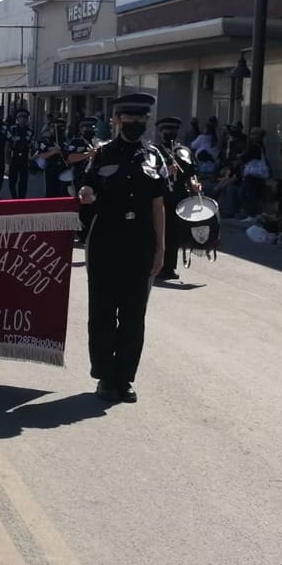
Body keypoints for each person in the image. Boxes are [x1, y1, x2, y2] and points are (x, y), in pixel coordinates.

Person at [79, 92, 166, 404]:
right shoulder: (101, 155)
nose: (135, 122)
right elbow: (87, 187)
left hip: (140, 242)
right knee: (102, 312)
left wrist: (161, 248)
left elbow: (158, 205)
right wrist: (86, 193)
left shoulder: (154, 157)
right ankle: (105, 377)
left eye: (141, 117)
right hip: (106, 240)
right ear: (116, 120)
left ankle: (124, 377)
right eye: (129, 117)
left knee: (133, 314)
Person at [153, 116, 201, 277]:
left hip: (178, 196)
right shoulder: (153, 151)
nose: (169, 133)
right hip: (159, 196)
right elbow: (147, 173)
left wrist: (194, 184)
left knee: (174, 232)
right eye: (166, 130)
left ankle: (169, 268)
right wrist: (164, 171)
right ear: (160, 132)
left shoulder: (184, 151)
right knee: (159, 231)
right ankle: (155, 266)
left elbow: (191, 173)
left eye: (173, 130)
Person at [65, 117, 101, 244]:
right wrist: (88, 154)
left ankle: (92, 232)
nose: (90, 130)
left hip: (96, 179)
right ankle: (82, 234)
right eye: (87, 127)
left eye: (92, 127)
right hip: (80, 178)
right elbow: (70, 158)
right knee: (83, 206)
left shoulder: (98, 143)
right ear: (81, 129)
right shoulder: (76, 142)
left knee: (95, 207)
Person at [37, 118, 71, 198]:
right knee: (50, 193)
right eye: (54, 128)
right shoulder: (46, 142)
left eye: (60, 128)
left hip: (64, 169)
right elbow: (41, 155)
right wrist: (53, 152)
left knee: (63, 193)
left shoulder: (67, 142)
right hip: (51, 169)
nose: (57, 130)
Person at [6, 108, 35, 199]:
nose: (23, 119)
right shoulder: (12, 129)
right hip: (14, 156)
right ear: (17, 118)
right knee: (12, 180)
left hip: (25, 157)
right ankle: (14, 197)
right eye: (20, 117)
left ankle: (21, 198)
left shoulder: (30, 131)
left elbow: (32, 145)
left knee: (23, 180)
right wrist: (7, 161)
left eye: (25, 117)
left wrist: (32, 156)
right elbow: (7, 144)